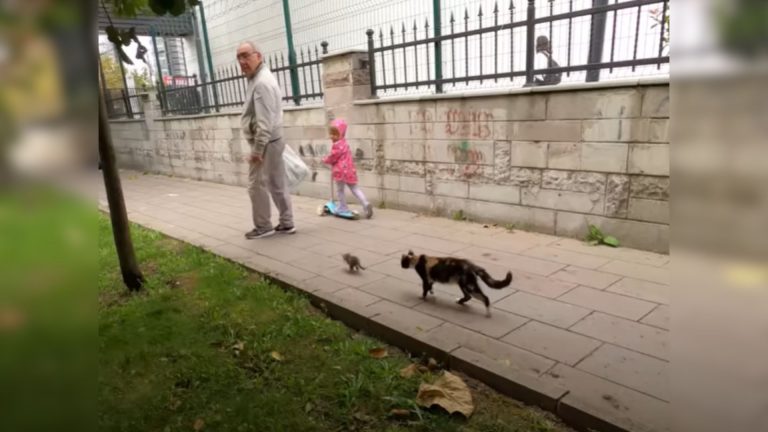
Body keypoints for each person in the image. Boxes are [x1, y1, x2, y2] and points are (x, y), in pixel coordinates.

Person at [237, 41, 295, 239]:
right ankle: (287, 223)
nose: (242, 61)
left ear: (258, 56)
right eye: (239, 57)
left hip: (266, 143)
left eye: (246, 56)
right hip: (273, 140)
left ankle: (263, 226)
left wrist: (257, 151)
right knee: (276, 182)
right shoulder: (260, 77)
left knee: (256, 185)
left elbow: (264, 122)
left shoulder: (261, 82)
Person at [322, 118, 373, 219]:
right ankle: (365, 203)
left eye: (335, 134)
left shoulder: (336, 146)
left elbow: (333, 157)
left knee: (340, 190)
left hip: (340, 171)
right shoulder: (344, 143)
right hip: (349, 170)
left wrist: (325, 159)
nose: (332, 136)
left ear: (341, 134)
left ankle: (343, 207)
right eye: (331, 134)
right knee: (355, 188)